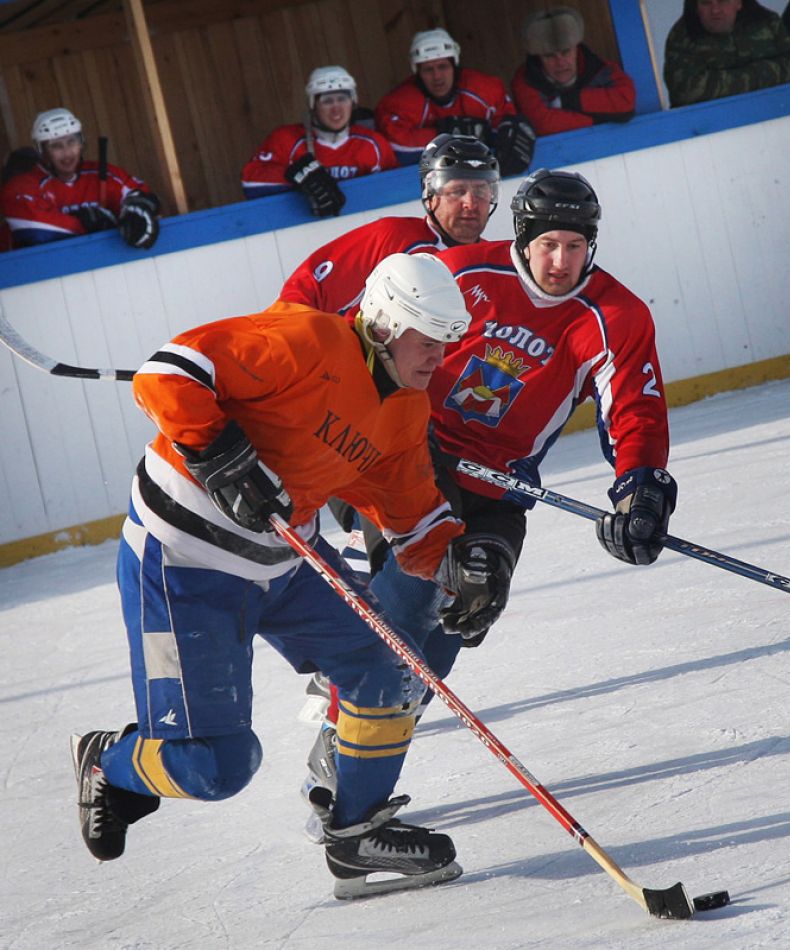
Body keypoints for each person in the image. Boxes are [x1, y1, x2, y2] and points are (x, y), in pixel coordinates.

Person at [69, 252, 514, 900]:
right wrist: (216, 448)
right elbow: (168, 373)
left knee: (388, 667)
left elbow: (412, 515)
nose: (438, 359)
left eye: (445, 343)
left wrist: (460, 568)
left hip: (284, 562)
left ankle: (356, 832)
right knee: (216, 766)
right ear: (385, 325)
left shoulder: (405, 409)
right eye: (427, 341)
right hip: (183, 564)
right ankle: (109, 762)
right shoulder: (306, 340)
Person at [301, 169, 677, 836]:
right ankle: (344, 745)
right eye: (548, 245)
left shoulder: (613, 315)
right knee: (414, 594)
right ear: (523, 239)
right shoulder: (461, 272)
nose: (561, 262)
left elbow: (634, 409)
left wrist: (641, 488)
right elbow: (373, 337)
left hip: (500, 489)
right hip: (406, 457)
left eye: (575, 246)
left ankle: (370, 737)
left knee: (461, 618)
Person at [280, 133, 501, 317]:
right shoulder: (391, 238)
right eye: (457, 191)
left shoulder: (495, 264)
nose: (470, 203)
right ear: (430, 194)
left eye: (481, 191)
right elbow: (301, 294)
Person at [375, 28, 535, 177]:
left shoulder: (485, 90)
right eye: (428, 69)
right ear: (417, 73)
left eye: (442, 66)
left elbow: (506, 127)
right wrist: (446, 137)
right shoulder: (399, 104)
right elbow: (396, 149)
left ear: (454, 65)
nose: (437, 76)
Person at [241, 65, 397, 217]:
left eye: (342, 99)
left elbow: (397, 188)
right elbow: (250, 181)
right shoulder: (286, 139)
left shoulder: (373, 144)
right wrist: (295, 174)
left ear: (353, 102)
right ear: (313, 105)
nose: (336, 109)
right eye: (327, 101)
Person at [0, 108, 160, 249]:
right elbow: (36, 231)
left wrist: (137, 211)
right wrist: (86, 224)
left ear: (81, 142)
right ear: (42, 151)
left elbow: (140, 194)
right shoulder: (21, 186)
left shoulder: (103, 174)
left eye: (72, 142)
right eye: (56, 146)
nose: (67, 153)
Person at [511, 5, 636, 137]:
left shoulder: (600, 68)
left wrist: (567, 101)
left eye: (566, 52)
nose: (560, 62)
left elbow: (625, 100)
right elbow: (543, 125)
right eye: (549, 56)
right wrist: (600, 119)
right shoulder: (525, 80)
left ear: (577, 49)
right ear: (538, 57)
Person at [664, 0, 790, 107]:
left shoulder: (767, 22)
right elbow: (689, 91)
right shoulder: (683, 37)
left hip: (776, 111)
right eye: (706, 3)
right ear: (696, 7)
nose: (715, 10)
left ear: (739, 2)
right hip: (710, 127)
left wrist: (727, 81)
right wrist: (764, 74)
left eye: (723, 1)